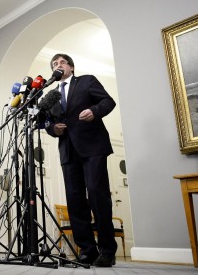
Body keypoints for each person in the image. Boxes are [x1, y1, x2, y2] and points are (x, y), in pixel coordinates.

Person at [44, 53, 117, 267]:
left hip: (92, 146)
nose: (58, 65)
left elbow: (108, 101)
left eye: (62, 62)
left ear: (72, 67)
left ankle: (107, 250)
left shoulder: (87, 81)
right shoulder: (52, 95)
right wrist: (52, 129)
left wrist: (94, 111)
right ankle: (87, 250)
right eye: (54, 64)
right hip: (68, 151)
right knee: (75, 202)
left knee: (97, 195)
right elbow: (49, 122)